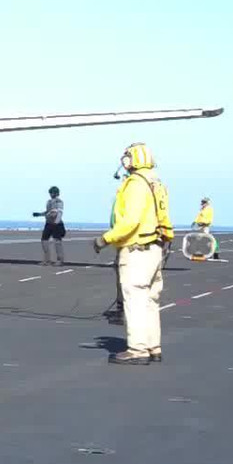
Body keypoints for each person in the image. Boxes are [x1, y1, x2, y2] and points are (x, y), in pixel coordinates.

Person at [93, 142, 170, 365]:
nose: (124, 162)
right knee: (150, 300)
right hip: (155, 248)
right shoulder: (157, 183)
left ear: (132, 160)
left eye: (126, 157)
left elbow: (131, 221)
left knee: (135, 299)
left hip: (137, 250)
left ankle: (137, 350)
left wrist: (104, 239)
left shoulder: (136, 184)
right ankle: (153, 346)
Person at [33, 186, 65, 266]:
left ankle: (60, 260)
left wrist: (56, 220)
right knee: (44, 240)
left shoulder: (59, 201)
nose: (51, 194)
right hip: (48, 223)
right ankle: (47, 260)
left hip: (56, 223)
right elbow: (48, 211)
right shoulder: (49, 201)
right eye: (51, 192)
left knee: (57, 242)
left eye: (53, 192)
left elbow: (58, 212)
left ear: (57, 193)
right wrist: (39, 214)